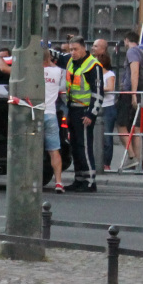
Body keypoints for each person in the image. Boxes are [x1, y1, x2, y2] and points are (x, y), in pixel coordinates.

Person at [63, 36, 103, 192]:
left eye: (75, 49)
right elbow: (53, 55)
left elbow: (98, 93)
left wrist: (91, 114)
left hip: (85, 111)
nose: (72, 53)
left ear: (84, 49)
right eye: (71, 49)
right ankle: (79, 178)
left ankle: (89, 181)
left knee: (84, 146)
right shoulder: (70, 62)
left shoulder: (93, 65)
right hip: (72, 109)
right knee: (75, 146)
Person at [116, 31, 143, 170]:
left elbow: (134, 72)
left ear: (126, 40)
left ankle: (132, 157)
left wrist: (133, 94)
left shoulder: (132, 52)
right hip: (141, 93)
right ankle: (137, 161)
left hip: (129, 92)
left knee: (120, 125)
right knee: (136, 128)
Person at [43, 50, 66, 193]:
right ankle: (58, 182)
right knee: (54, 150)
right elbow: (62, 89)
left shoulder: (34, 71)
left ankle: (29, 181)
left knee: (31, 150)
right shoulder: (60, 72)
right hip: (50, 113)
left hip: (35, 114)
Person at [97, 50, 117, 170]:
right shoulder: (95, 75)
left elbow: (110, 87)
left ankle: (106, 163)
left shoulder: (109, 74)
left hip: (108, 106)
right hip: (97, 106)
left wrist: (97, 88)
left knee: (107, 137)